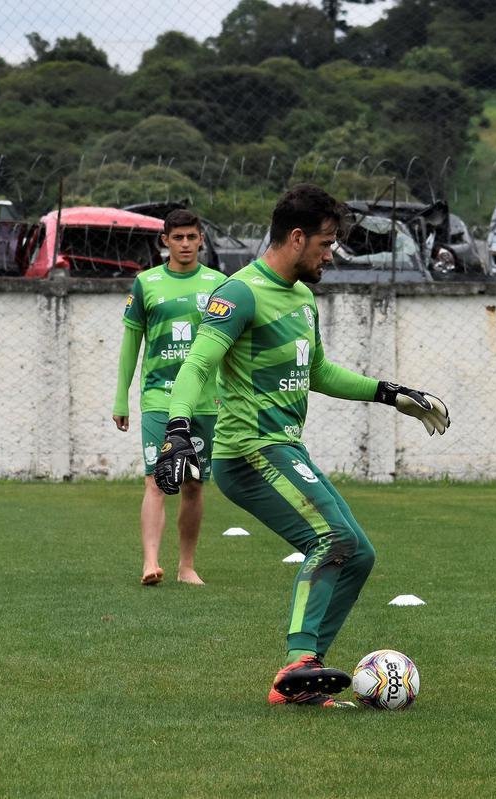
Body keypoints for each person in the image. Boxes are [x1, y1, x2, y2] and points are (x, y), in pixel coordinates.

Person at [154, 184, 450, 707]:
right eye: (326, 243)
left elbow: (318, 372)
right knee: (332, 538)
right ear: (296, 238)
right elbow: (197, 364)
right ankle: (300, 659)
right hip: (249, 451)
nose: (330, 255)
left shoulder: (303, 297)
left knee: (358, 554)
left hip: (285, 449)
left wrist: (391, 393)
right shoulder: (239, 293)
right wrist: (177, 429)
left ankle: (304, 679)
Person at [112, 208, 225, 586]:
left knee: (194, 483)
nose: (186, 244)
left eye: (192, 237)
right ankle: (150, 562)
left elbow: (230, 345)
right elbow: (131, 344)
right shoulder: (146, 283)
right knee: (156, 479)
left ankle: (186, 566)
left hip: (205, 400)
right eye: (178, 237)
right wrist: (121, 398)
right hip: (159, 398)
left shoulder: (219, 284)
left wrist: (228, 392)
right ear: (165, 241)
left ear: (201, 240)